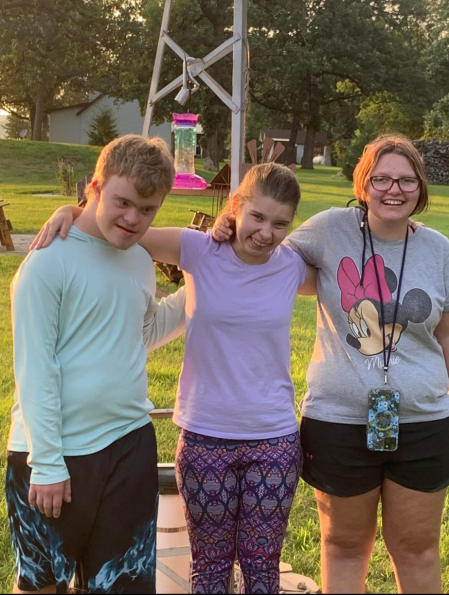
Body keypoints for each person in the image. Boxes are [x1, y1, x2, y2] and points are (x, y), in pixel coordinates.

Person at [33, 163, 317, 594]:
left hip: (272, 440)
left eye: (281, 223)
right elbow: (121, 227)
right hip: (205, 436)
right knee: (209, 566)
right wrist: (69, 211)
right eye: (257, 217)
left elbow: (349, 265)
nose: (266, 233)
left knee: (262, 569)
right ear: (236, 207)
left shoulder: (293, 265)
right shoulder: (197, 249)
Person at [216, 134, 449, 594]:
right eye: (381, 178)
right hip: (338, 421)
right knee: (343, 544)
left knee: (417, 547)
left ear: (420, 189)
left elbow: (446, 337)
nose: (393, 190)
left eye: (405, 180)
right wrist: (228, 223)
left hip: (424, 422)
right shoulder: (328, 229)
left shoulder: (440, 250)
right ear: (363, 183)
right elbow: (261, 251)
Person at [7, 134, 186, 595]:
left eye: (147, 210)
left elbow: (141, 333)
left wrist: (203, 289)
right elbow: (35, 369)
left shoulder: (139, 258)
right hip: (55, 454)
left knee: (121, 585)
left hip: (129, 443)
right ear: (95, 186)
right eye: (123, 202)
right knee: (42, 585)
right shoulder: (48, 264)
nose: (133, 219)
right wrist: (46, 463)